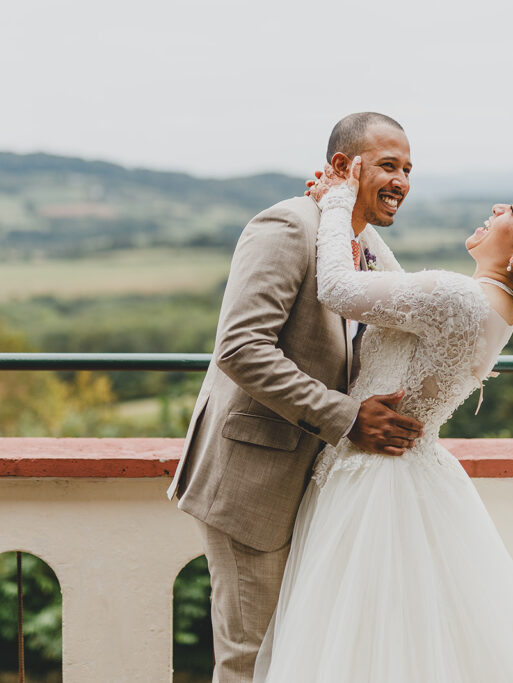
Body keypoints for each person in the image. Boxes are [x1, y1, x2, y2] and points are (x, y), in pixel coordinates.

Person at [252, 158, 513, 682]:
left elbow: (338, 288)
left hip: (372, 481)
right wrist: (349, 217)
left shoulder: (458, 299)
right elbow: (401, 288)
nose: (498, 208)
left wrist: (339, 202)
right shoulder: (495, 309)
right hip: (408, 473)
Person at [166, 112, 425, 682]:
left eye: (408, 168)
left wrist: (343, 207)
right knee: (249, 660)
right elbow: (240, 348)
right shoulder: (287, 226)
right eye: (388, 165)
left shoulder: (354, 242)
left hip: (313, 485)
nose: (402, 180)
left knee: (294, 657)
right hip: (252, 482)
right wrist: (346, 417)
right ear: (342, 166)